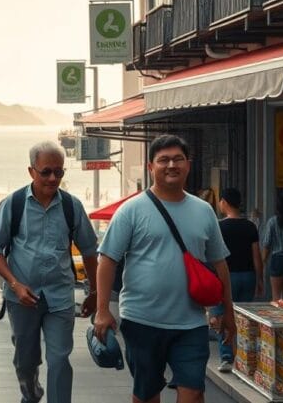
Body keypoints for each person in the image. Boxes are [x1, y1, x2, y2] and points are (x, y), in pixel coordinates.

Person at [94, 134, 233, 403]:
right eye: (163, 160)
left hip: (191, 322)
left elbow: (220, 264)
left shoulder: (204, 211)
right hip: (141, 320)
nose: (171, 165)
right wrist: (102, 310)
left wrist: (228, 312)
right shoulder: (131, 210)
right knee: (147, 394)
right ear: (151, 167)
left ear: (188, 165)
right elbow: (107, 260)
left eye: (178, 159)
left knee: (194, 392)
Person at [0, 141, 99, 403]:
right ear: (31, 171)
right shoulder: (13, 204)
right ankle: (31, 394)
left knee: (59, 359)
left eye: (58, 172)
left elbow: (89, 250)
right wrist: (15, 285)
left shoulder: (71, 206)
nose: (52, 178)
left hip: (60, 297)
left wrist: (94, 292)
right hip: (22, 300)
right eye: (46, 171)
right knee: (25, 362)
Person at [211, 188, 262, 373]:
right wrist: (259, 279)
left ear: (224, 202)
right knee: (244, 318)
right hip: (247, 276)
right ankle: (243, 358)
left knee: (221, 315)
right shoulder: (250, 227)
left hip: (226, 277)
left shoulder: (219, 227)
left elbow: (213, 257)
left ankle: (226, 357)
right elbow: (256, 256)